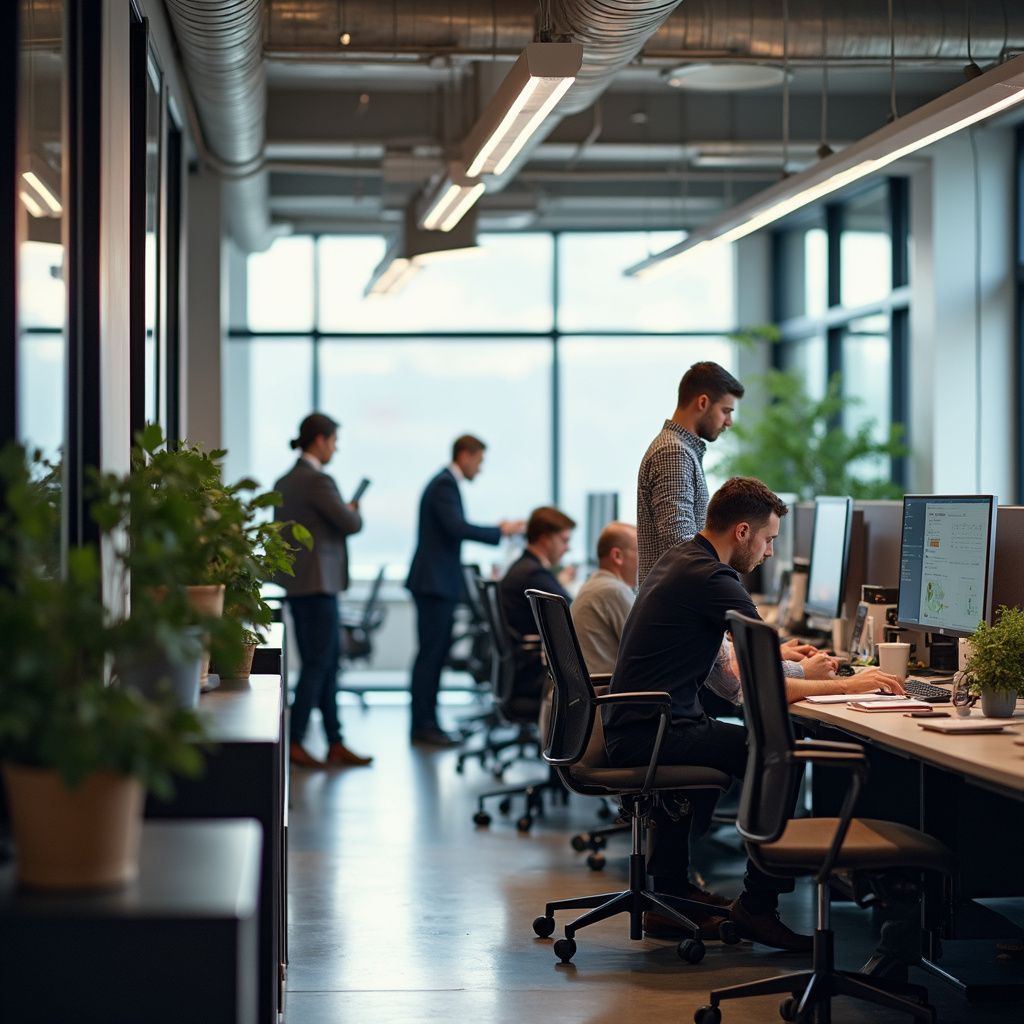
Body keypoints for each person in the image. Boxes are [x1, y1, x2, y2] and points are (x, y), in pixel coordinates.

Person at [604, 477, 902, 950]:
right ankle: (757, 906)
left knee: (757, 743)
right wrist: (848, 683)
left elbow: (728, 675)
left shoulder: (683, 560)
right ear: (742, 532)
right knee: (779, 756)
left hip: (641, 724)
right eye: (768, 540)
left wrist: (783, 659)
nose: (768, 552)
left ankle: (672, 894)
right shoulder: (714, 578)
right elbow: (760, 685)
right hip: (655, 731)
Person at [407, 435, 524, 747]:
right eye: (479, 461)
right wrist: (501, 531)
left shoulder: (444, 482)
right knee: (431, 656)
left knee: (433, 654)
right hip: (434, 583)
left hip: (436, 582)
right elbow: (457, 528)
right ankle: (423, 725)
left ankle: (426, 723)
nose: (480, 468)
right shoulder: (445, 484)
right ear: (465, 455)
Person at [275, 412, 372, 769]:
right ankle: (297, 739)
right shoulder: (318, 481)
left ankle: (334, 741)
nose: (336, 448)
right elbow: (349, 524)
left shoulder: (284, 481)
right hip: (318, 586)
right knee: (320, 664)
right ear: (319, 440)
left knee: (327, 664)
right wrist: (353, 509)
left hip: (300, 586)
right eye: (334, 441)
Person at [636, 360, 744, 585]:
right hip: (674, 608)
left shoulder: (680, 449)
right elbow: (680, 544)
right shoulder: (674, 452)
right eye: (725, 411)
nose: (729, 422)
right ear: (703, 402)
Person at [571, 522, 638, 676]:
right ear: (617, 556)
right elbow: (646, 648)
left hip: (586, 694)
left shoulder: (595, 583)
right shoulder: (614, 590)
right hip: (605, 694)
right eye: (639, 550)